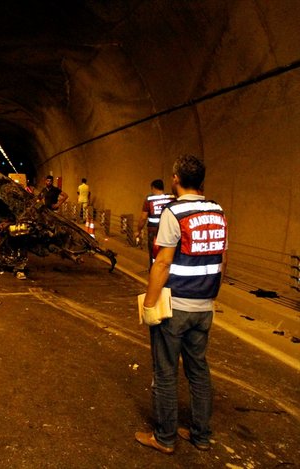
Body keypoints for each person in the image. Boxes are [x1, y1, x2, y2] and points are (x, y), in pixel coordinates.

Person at [135, 154, 227, 455]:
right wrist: (211, 294)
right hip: (204, 307)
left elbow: (162, 262)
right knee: (198, 371)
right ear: (202, 180)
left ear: (175, 179)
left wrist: (149, 305)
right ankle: (200, 435)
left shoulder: (174, 213)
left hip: (175, 306)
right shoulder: (218, 211)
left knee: (165, 372)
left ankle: (164, 437)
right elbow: (222, 259)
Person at [137, 179, 176, 268]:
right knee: (168, 252)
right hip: (168, 231)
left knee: (154, 253)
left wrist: (138, 230)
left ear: (153, 188)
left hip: (154, 231)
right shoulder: (171, 197)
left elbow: (143, 218)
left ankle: (155, 271)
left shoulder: (149, 199)